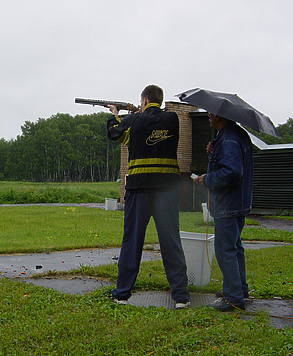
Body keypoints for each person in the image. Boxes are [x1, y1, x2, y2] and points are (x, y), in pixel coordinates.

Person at [107, 84, 190, 309]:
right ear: (160, 101)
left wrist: (115, 114)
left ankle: (122, 294)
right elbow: (140, 133)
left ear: (143, 101)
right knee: (171, 242)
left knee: (132, 242)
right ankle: (181, 297)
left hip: (139, 190)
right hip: (168, 191)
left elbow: (114, 132)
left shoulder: (134, 122)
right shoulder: (173, 119)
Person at [194, 113, 253, 312]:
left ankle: (234, 297)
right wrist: (214, 151)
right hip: (237, 202)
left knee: (225, 249)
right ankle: (239, 289)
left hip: (228, 204)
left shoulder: (229, 139)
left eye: (211, 114)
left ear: (221, 116)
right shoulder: (232, 135)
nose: (209, 116)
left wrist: (208, 179)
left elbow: (233, 172)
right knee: (235, 247)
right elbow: (229, 163)